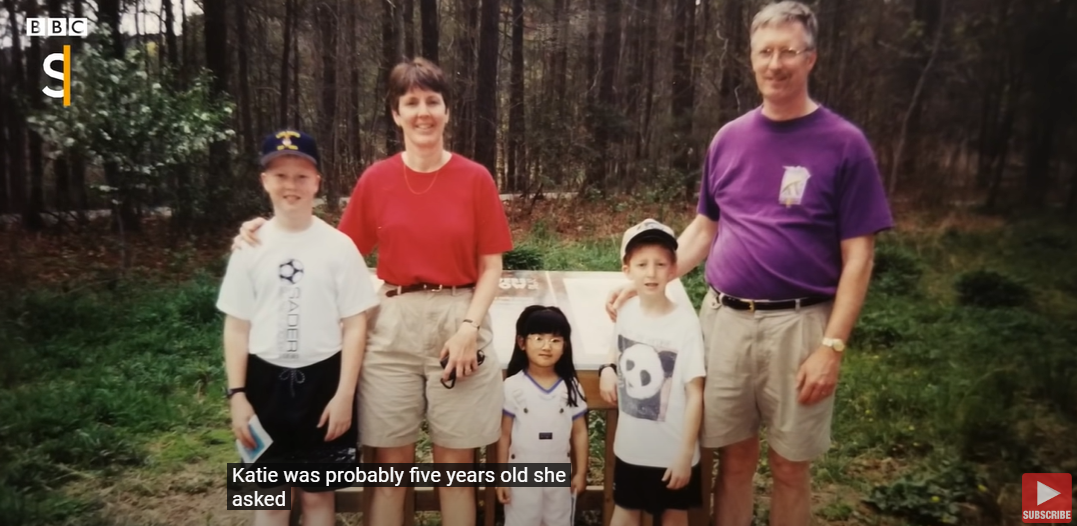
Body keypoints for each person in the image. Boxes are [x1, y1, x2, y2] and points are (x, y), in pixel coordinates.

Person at [606, 3, 895, 525]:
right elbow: (704, 229)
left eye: (789, 51)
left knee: (789, 466)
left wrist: (832, 347)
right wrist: (652, 282)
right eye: (766, 51)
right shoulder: (729, 139)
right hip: (725, 323)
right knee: (730, 460)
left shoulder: (845, 145)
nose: (776, 63)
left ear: (811, 58)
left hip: (801, 327)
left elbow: (860, 257)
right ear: (752, 58)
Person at [234, 57, 513, 526]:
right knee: (389, 467)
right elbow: (337, 248)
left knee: (455, 467)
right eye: (411, 102)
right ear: (396, 113)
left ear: (447, 111)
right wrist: (275, 225)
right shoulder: (377, 179)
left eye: (432, 101)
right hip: (392, 321)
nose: (423, 112)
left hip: (459, 322)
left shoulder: (475, 178)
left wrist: (469, 327)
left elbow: (491, 265)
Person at [217, 130, 379, 526]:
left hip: (323, 384)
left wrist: (344, 394)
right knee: (270, 499)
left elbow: (355, 324)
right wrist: (237, 395)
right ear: (265, 181)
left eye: (302, 176)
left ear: (317, 182)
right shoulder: (250, 248)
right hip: (264, 384)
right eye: (280, 175)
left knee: (317, 498)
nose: (291, 185)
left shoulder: (339, 247)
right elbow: (237, 326)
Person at [598, 219, 706, 526]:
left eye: (660, 264)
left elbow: (695, 392)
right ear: (627, 270)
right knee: (625, 512)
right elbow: (616, 348)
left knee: (673, 516)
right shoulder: (626, 312)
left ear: (673, 269)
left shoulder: (685, 324)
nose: (651, 272)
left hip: (673, 452)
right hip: (631, 448)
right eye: (642, 263)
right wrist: (608, 368)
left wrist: (685, 454)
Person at [497, 306, 589, 526]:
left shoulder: (572, 387)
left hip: (559, 473)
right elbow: (504, 434)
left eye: (556, 340)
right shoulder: (512, 386)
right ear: (522, 343)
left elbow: (580, 433)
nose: (547, 346)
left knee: (558, 520)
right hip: (522, 472)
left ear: (565, 345)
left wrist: (581, 473)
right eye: (538, 338)